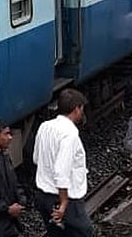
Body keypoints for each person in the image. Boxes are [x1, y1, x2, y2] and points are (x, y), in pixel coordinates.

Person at [32, 88, 91, 237]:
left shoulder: (45, 126)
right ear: (76, 109)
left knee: (56, 233)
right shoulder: (70, 134)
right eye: (82, 109)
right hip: (64, 198)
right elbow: (61, 171)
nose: (82, 112)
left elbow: (36, 158)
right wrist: (64, 203)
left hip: (43, 196)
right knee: (82, 232)